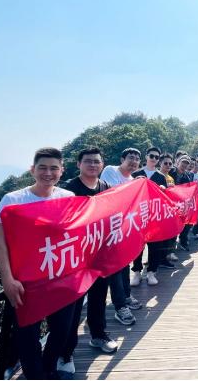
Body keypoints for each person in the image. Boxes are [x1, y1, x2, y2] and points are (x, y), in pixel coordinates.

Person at [0, 147, 76, 379]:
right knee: (27, 335)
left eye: (53, 168)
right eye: (42, 168)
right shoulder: (13, 200)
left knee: (62, 330)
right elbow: (0, 243)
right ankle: (35, 375)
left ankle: (48, 369)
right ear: (32, 170)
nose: (48, 173)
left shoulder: (68, 197)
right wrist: (7, 280)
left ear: (61, 170)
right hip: (25, 281)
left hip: (60, 278)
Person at [58, 148, 118, 376]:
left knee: (99, 296)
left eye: (96, 161)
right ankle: (66, 352)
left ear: (102, 164)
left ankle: (98, 335)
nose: (93, 165)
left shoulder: (105, 187)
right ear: (78, 164)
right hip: (75, 257)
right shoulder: (68, 189)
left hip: (99, 253)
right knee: (72, 305)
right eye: (88, 161)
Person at [100, 147, 143, 326]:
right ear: (122, 159)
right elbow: (111, 195)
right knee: (115, 268)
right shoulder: (110, 170)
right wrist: (134, 186)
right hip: (108, 229)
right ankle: (120, 306)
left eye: (137, 159)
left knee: (124, 264)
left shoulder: (132, 180)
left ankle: (126, 296)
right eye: (131, 157)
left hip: (124, 229)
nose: (134, 161)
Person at [130, 147, 168, 287]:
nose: (154, 159)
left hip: (154, 216)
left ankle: (152, 272)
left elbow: (165, 197)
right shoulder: (136, 174)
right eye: (152, 156)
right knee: (137, 244)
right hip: (139, 215)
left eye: (157, 157)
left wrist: (163, 190)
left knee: (155, 245)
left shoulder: (160, 176)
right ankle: (137, 272)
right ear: (146, 156)